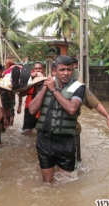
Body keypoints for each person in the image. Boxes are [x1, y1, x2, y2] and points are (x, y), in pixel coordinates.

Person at [29, 55, 86, 183]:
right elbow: (32, 110)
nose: (66, 73)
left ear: (73, 70)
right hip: (44, 139)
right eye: (62, 70)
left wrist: (54, 90)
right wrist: (45, 87)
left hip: (65, 141)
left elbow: (72, 109)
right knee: (47, 183)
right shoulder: (45, 85)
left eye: (69, 70)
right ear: (54, 71)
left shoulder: (79, 88)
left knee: (65, 184)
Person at [20, 62, 45, 135]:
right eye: (36, 69)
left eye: (40, 68)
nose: (38, 70)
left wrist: (41, 79)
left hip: (41, 109)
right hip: (29, 108)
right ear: (33, 70)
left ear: (43, 70)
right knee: (26, 131)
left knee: (39, 131)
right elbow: (21, 93)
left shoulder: (46, 80)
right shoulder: (29, 80)